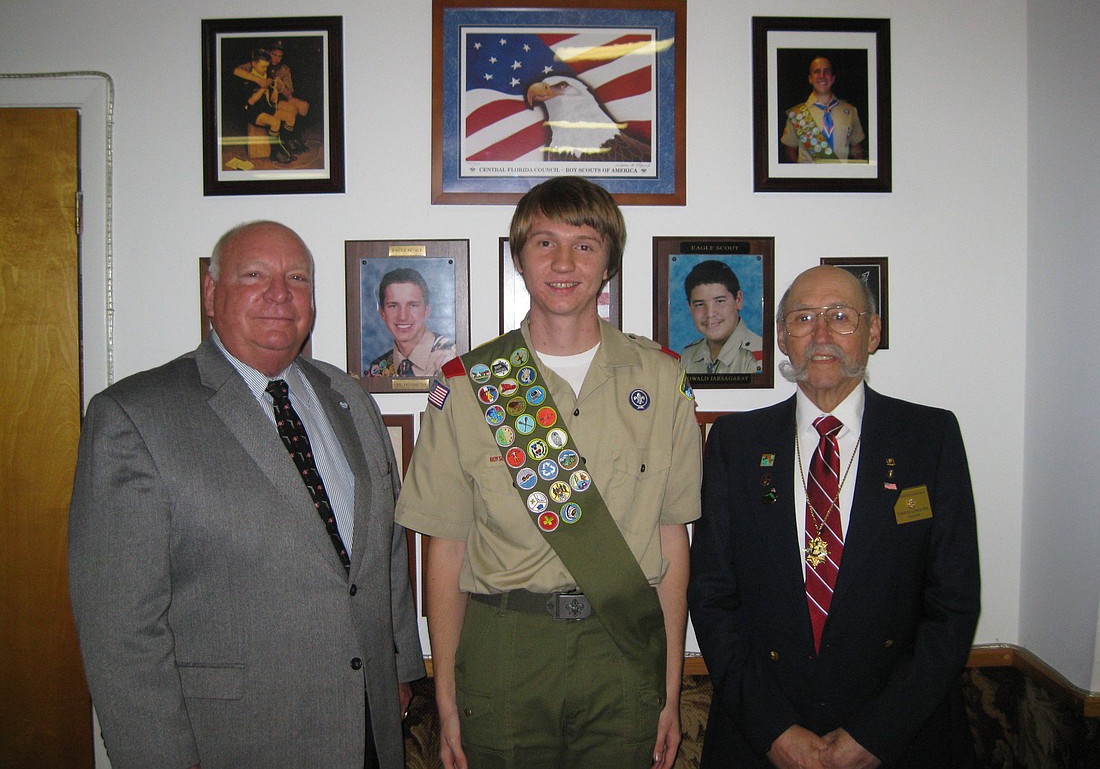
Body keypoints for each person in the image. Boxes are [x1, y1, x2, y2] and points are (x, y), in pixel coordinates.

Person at [68, 221, 425, 769]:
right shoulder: (135, 417)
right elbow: (120, 630)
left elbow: (387, 547)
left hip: (369, 727)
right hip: (236, 739)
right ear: (212, 294)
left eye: (297, 277)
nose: (280, 294)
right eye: (254, 275)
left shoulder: (348, 396)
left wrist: (397, 670)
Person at [395, 176, 701, 769]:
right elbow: (446, 549)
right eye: (544, 243)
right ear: (519, 258)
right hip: (505, 645)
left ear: (609, 260)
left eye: (585, 244)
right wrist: (447, 697)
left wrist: (668, 688)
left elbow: (672, 539)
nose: (564, 262)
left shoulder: (662, 379)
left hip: (623, 645)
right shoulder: (465, 385)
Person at [688, 265, 980, 769]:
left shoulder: (928, 438)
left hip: (900, 736)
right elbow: (713, 597)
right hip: (761, 735)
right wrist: (773, 730)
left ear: (872, 331)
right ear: (782, 337)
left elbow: (953, 604)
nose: (821, 335)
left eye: (841, 317)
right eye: (803, 318)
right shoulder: (735, 445)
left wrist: (878, 732)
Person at [368, 267, 456, 378]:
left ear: (426, 310)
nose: (403, 316)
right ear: (382, 313)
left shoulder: (452, 357)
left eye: (413, 305)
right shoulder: (378, 370)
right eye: (393, 306)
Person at [679, 259, 763, 375]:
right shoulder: (686, 358)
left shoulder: (758, 358)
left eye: (719, 301)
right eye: (699, 304)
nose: (709, 313)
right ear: (689, 307)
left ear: (738, 300)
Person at [780, 56, 866, 163]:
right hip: (808, 178)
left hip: (841, 177)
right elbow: (790, 152)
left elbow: (857, 150)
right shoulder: (797, 114)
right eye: (817, 71)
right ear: (810, 78)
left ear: (833, 78)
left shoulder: (850, 111)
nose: (822, 76)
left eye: (827, 71)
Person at [231, 49, 297, 163]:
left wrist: (275, 89)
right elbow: (250, 102)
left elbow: (272, 101)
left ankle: (284, 145)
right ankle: (275, 153)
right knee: (275, 122)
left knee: (290, 116)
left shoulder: (268, 74)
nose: (265, 69)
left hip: (266, 108)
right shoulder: (248, 79)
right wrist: (263, 87)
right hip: (253, 111)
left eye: (266, 67)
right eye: (262, 67)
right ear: (254, 64)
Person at [268, 40, 310, 153]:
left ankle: (296, 137)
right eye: (273, 54)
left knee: (304, 106)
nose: (276, 59)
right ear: (268, 52)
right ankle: (289, 140)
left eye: (279, 56)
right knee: (293, 109)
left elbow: (289, 93)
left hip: (282, 97)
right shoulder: (262, 63)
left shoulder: (284, 69)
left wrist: (281, 87)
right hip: (269, 100)